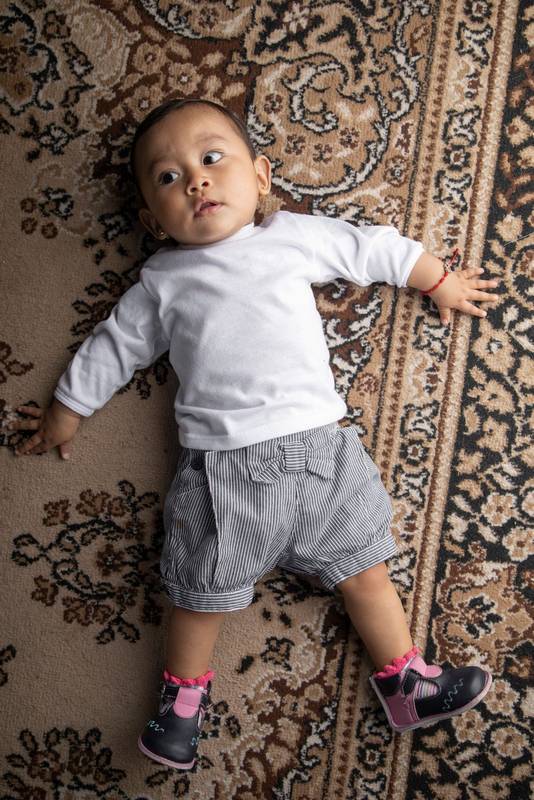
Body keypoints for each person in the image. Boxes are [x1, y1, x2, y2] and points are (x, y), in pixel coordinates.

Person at [10, 98, 498, 771]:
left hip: (321, 456)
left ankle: (406, 682)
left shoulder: (290, 237)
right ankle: (180, 707)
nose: (197, 182)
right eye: (170, 178)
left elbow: (369, 246)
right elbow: (113, 346)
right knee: (198, 595)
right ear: (153, 221)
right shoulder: (162, 281)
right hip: (222, 475)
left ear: (261, 177)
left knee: (367, 570)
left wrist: (435, 278)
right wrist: (68, 407)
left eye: (212, 160)